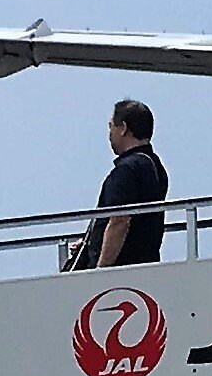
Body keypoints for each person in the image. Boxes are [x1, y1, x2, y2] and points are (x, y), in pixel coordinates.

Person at [72, 99, 169, 271]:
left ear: (123, 128)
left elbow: (119, 221)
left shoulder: (127, 170)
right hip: (145, 266)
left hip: (120, 272)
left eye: (111, 127)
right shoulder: (156, 167)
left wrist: (101, 270)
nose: (109, 134)